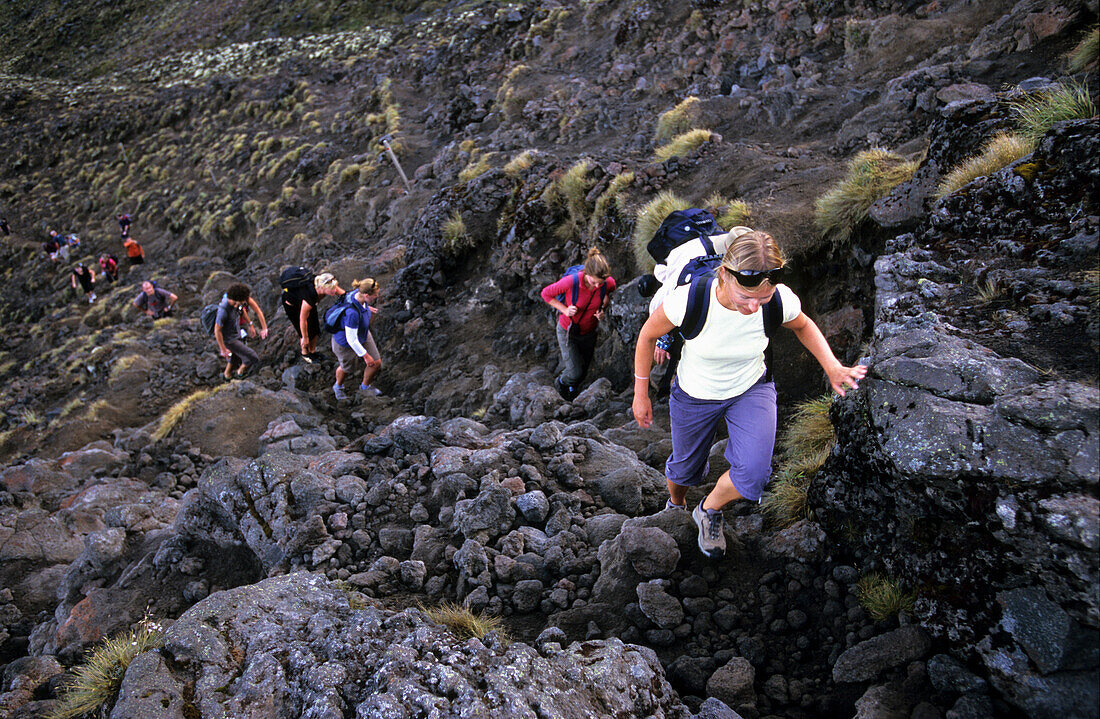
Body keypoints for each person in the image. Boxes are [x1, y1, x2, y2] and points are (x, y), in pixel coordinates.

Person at [632, 230, 866, 559]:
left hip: (751, 388)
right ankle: (676, 503)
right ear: (725, 275)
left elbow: (802, 325)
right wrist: (640, 393)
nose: (754, 307)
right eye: (746, 298)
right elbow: (646, 336)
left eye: (763, 299)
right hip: (695, 392)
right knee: (684, 469)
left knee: (754, 474)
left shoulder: (779, 299)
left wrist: (832, 366)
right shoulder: (690, 300)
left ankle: (709, 509)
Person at [539, 248, 617, 400]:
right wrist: (564, 309)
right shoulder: (572, 281)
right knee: (575, 372)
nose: (596, 286)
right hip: (568, 329)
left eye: (600, 284)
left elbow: (609, 294)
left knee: (583, 369)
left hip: (589, 332)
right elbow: (546, 293)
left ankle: (572, 389)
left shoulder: (607, 283)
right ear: (586, 274)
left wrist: (603, 309)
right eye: (593, 282)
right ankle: (560, 385)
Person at [330, 278, 382, 400]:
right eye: (375, 294)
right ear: (366, 295)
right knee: (346, 368)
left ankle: (365, 387)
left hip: (362, 333)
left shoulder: (357, 294)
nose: (377, 296)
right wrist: (365, 355)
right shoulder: (352, 314)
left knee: (376, 362)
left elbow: (360, 304)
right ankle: (338, 386)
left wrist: (366, 308)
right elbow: (351, 339)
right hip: (345, 343)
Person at [282, 271, 343, 362]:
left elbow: (344, 294)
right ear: (322, 288)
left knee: (315, 327)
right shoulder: (310, 296)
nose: (334, 291)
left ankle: (313, 352)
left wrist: (358, 303)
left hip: (308, 302)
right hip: (293, 305)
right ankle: (305, 353)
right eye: (331, 290)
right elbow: (303, 319)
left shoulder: (327, 284)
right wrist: (305, 338)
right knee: (305, 331)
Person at [214, 283, 268, 381]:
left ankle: (227, 376)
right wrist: (223, 349)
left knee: (236, 356)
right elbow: (217, 330)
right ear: (236, 299)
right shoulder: (223, 310)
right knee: (252, 357)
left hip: (236, 333)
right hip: (229, 340)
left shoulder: (237, 304)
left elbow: (242, 311)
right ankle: (240, 373)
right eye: (243, 301)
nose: (245, 302)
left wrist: (251, 324)